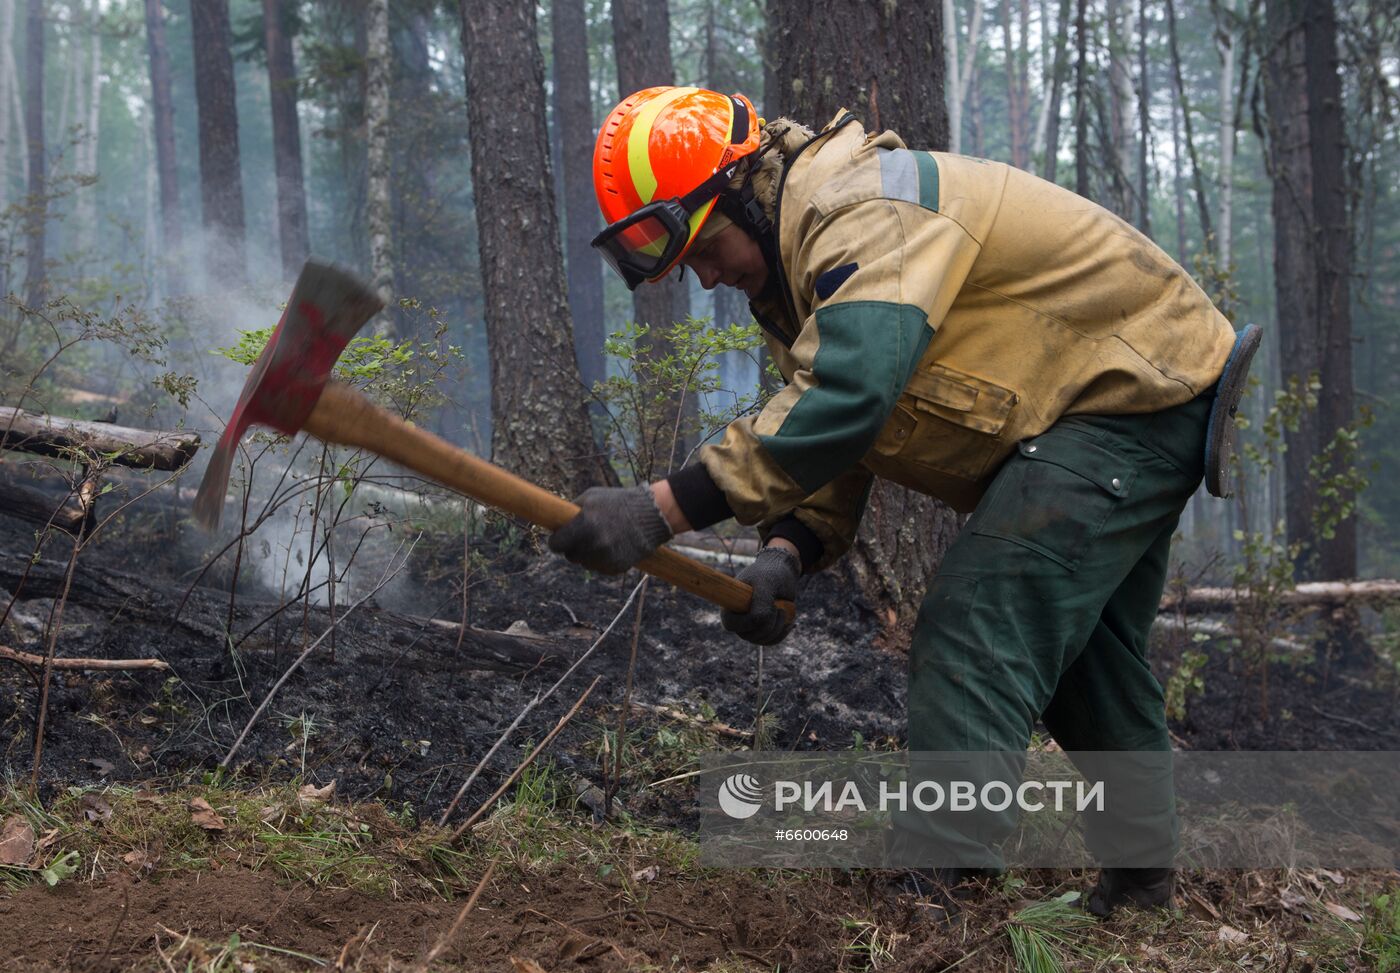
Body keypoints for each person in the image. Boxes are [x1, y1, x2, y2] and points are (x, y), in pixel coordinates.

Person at [549, 85, 1258, 917]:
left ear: (739, 189)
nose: (704, 277)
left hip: (1133, 393)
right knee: (1081, 651)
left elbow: (851, 394)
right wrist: (789, 551)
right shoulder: (799, 269)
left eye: (703, 249)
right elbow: (841, 423)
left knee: (978, 617)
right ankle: (1141, 890)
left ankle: (940, 897)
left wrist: (662, 508)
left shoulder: (859, 211)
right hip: (1125, 400)